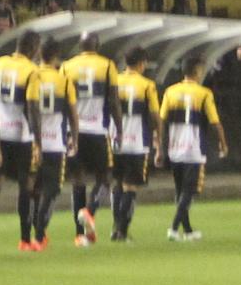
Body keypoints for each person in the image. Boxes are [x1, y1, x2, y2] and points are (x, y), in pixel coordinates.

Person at [0, 39, 40, 253]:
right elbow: (31, 107)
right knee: (27, 185)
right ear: (33, 49)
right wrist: (37, 140)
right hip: (20, 135)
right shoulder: (32, 70)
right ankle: (24, 239)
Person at [58, 32, 118, 248]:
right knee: (105, 176)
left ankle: (79, 235)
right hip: (97, 130)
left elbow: (61, 99)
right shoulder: (107, 66)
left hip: (72, 131)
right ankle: (89, 211)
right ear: (97, 45)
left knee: (77, 179)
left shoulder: (66, 66)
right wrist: (118, 126)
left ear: (80, 46)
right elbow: (112, 100)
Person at [157, 56, 226, 241]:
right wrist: (223, 143)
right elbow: (214, 122)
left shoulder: (170, 92)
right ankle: (173, 228)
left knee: (180, 191)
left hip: (175, 147)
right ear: (196, 71)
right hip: (193, 149)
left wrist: (160, 146)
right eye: (201, 70)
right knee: (189, 191)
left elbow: (161, 120)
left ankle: (187, 231)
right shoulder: (204, 93)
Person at [107, 46, 158, 244]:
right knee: (131, 187)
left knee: (117, 184)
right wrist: (158, 136)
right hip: (137, 142)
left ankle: (115, 228)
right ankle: (122, 230)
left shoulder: (114, 82)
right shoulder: (147, 85)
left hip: (115, 140)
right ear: (141, 63)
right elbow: (154, 115)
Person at [25, 46, 70, 251]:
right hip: (54, 143)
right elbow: (72, 112)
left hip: (33, 141)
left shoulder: (31, 76)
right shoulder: (63, 79)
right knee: (51, 190)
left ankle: (31, 231)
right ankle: (40, 233)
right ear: (54, 57)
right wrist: (74, 136)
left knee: (33, 189)